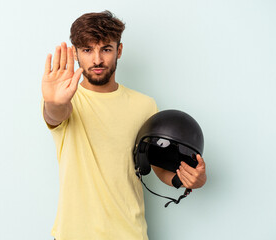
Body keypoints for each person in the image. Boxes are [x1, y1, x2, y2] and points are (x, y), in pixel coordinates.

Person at [42, 10, 207, 240]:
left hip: (129, 232)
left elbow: (157, 166)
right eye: (87, 50)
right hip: (74, 234)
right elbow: (54, 115)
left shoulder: (145, 105)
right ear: (76, 53)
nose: (97, 59)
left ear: (119, 50)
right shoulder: (66, 100)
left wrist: (187, 180)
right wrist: (54, 102)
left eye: (106, 49)